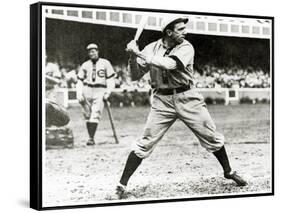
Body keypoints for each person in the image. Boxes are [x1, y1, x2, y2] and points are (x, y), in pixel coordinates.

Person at [113, 16, 247, 199]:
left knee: (211, 136)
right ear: (169, 32)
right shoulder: (151, 48)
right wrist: (132, 56)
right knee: (145, 142)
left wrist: (139, 53)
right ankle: (122, 184)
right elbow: (135, 76)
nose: (186, 31)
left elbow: (170, 64)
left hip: (187, 97)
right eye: (181, 29)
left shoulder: (186, 47)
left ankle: (229, 171)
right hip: (161, 100)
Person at [76, 43, 115, 146]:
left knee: (96, 113)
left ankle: (91, 138)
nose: (91, 53)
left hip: (100, 89)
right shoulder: (85, 64)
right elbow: (79, 80)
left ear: (97, 51)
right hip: (87, 89)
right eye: (89, 51)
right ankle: (91, 137)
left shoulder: (105, 63)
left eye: (93, 51)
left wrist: (108, 92)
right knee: (87, 114)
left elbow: (111, 80)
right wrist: (79, 93)